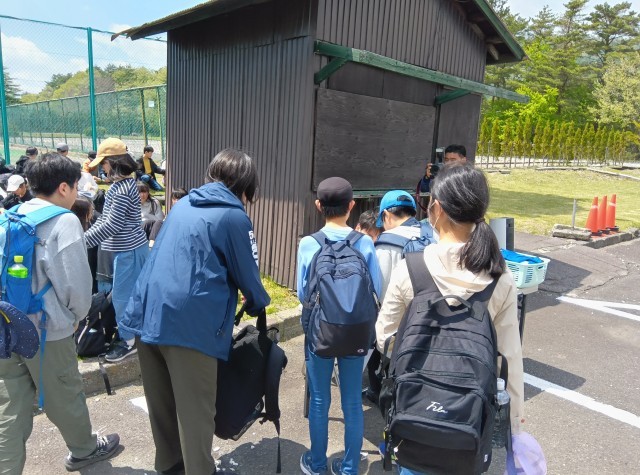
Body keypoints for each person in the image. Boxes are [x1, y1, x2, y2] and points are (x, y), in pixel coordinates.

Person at [119, 148, 270, 475]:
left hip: (147, 315)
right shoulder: (233, 217)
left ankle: (170, 467)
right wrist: (258, 302)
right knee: (195, 415)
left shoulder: (184, 204)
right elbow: (249, 277)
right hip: (189, 326)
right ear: (246, 185)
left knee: (162, 407)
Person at [376, 164, 524, 475]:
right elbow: (509, 358)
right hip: (468, 427)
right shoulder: (500, 278)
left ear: (438, 209)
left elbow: (384, 337)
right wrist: (516, 429)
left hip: (414, 416)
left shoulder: (411, 268)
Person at [0, 153, 120, 474]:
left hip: (7, 326)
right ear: (64, 187)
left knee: (10, 407)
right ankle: (84, 450)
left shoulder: (10, 215)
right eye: (76, 186)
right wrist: (75, 318)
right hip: (46, 331)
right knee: (64, 394)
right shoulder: (64, 221)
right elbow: (77, 286)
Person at [297, 177, 382, 475]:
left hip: (320, 331)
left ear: (318, 205)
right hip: (356, 330)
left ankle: (317, 464)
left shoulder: (308, 244)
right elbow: (376, 289)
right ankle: (348, 469)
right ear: (352, 206)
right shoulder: (365, 242)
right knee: (352, 401)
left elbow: (303, 293)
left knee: (320, 399)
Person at [84, 138, 149, 363]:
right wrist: (84, 240)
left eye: (104, 163)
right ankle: (135, 334)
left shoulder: (121, 189)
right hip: (130, 249)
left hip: (130, 251)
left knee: (122, 299)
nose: (102, 168)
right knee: (129, 296)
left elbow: (112, 225)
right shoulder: (122, 185)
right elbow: (105, 221)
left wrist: (82, 242)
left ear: (115, 162)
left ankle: (129, 342)